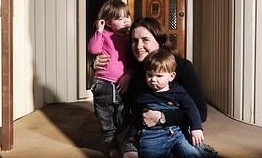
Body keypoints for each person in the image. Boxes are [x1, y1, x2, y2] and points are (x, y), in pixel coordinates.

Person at [93, 17, 217, 158]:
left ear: (159, 42)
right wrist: (96, 67)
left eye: (145, 40)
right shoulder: (131, 69)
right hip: (143, 128)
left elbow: (200, 113)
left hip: (177, 128)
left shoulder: (182, 67)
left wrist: (162, 117)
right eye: (134, 40)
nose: (138, 46)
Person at [132, 49, 204, 158]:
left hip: (178, 132)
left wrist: (196, 128)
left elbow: (191, 109)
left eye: (159, 76)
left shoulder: (178, 92)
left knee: (193, 153)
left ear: (171, 76)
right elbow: (137, 114)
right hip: (152, 135)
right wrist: (133, 132)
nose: (153, 80)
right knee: (149, 153)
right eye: (150, 75)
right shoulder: (143, 94)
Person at [88, 0, 133, 158]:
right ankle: (112, 145)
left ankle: (119, 134)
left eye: (127, 16)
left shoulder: (129, 39)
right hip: (103, 84)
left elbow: (132, 62)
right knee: (105, 120)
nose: (126, 20)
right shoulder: (105, 35)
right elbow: (93, 49)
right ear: (107, 22)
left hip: (122, 84)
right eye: (120, 18)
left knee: (122, 118)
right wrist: (99, 31)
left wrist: (128, 75)